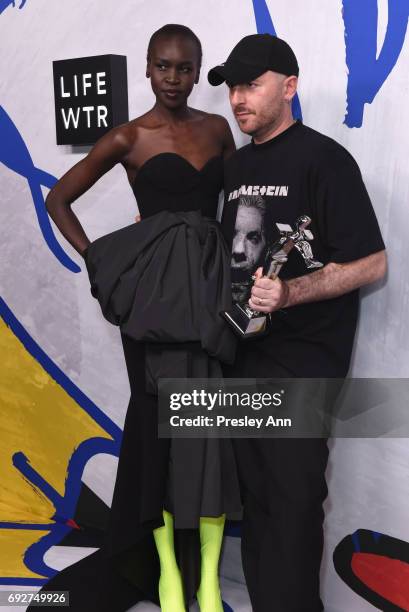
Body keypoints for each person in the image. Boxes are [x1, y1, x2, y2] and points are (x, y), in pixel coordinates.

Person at [28, 24, 242, 612]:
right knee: (157, 435)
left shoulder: (218, 130)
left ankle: (206, 579)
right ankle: (168, 575)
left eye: (184, 67)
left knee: (209, 432)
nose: (173, 78)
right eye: (163, 67)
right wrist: (105, 263)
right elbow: (58, 200)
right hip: (151, 313)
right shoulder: (128, 136)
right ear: (147, 70)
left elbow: (240, 211)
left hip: (208, 303)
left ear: (198, 72)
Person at [208, 34, 387, 612]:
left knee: (291, 501)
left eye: (251, 85)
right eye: (233, 86)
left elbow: (371, 262)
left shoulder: (324, 159)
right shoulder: (235, 166)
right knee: (257, 501)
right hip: (243, 358)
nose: (239, 98)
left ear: (288, 86)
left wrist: (289, 292)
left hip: (304, 363)